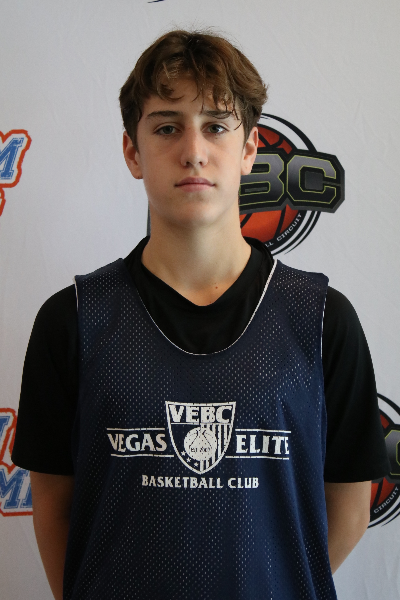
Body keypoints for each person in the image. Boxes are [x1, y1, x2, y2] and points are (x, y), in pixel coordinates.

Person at [12, 29, 390, 600]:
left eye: (216, 126)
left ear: (249, 149)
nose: (193, 150)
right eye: (167, 127)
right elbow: (55, 507)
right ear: (132, 152)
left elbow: (350, 504)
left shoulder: (321, 320)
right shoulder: (73, 321)